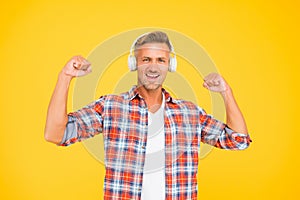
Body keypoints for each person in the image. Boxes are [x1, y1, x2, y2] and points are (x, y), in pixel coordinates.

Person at [44, 31, 252, 200]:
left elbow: (239, 140)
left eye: (161, 60)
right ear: (134, 64)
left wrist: (226, 92)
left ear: (170, 65)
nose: (153, 67)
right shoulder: (111, 107)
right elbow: (55, 134)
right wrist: (65, 77)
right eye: (146, 59)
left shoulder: (189, 113)